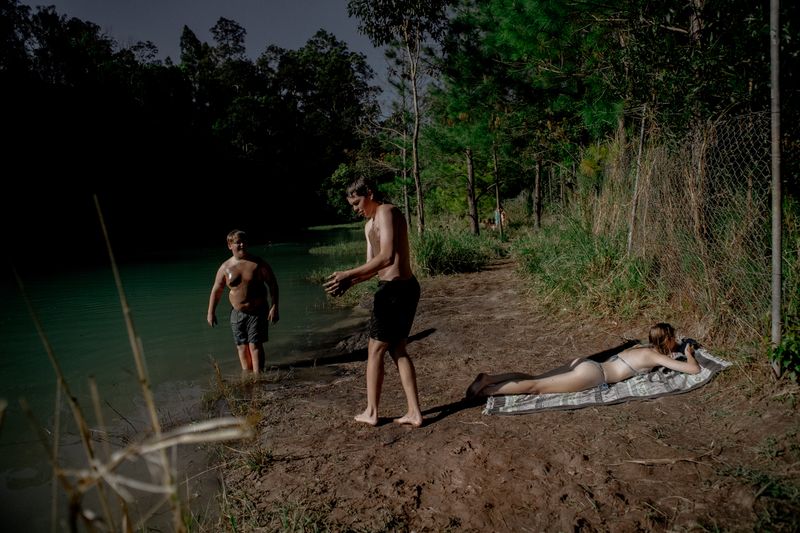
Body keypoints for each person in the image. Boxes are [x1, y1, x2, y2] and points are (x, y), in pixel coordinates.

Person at [324, 177, 423, 427]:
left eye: (357, 202)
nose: (355, 209)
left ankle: (371, 411)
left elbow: (388, 257)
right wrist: (349, 282)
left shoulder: (387, 211)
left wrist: (348, 273)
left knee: (374, 349)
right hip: (392, 288)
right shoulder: (368, 226)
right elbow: (372, 268)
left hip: (398, 289)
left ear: (369, 193)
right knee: (398, 349)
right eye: (352, 205)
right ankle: (414, 412)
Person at [466, 323, 700, 398]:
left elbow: (667, 357)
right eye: (675, 338)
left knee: (534, 378)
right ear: (667, 339)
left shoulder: (642, 348)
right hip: (594, 375)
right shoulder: (654, 355)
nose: (677, 341)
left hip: (587, 363)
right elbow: (693, 369)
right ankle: (487, 392)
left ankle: (490, 378)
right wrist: (688, 352)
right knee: (536, 387)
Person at [207, 230, 279, 374]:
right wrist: (211, 312)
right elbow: (217, 290)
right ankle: (247, 376)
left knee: (254, 345)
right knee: (241, 346)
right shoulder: (225, 268)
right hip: (237, 313)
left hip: (258, 311)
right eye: (238, 242)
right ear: (230, 245)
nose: (242, 245)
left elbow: (272, 284)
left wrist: (274, 306)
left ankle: (258, 376)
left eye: (244, 241)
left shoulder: (257, 263)